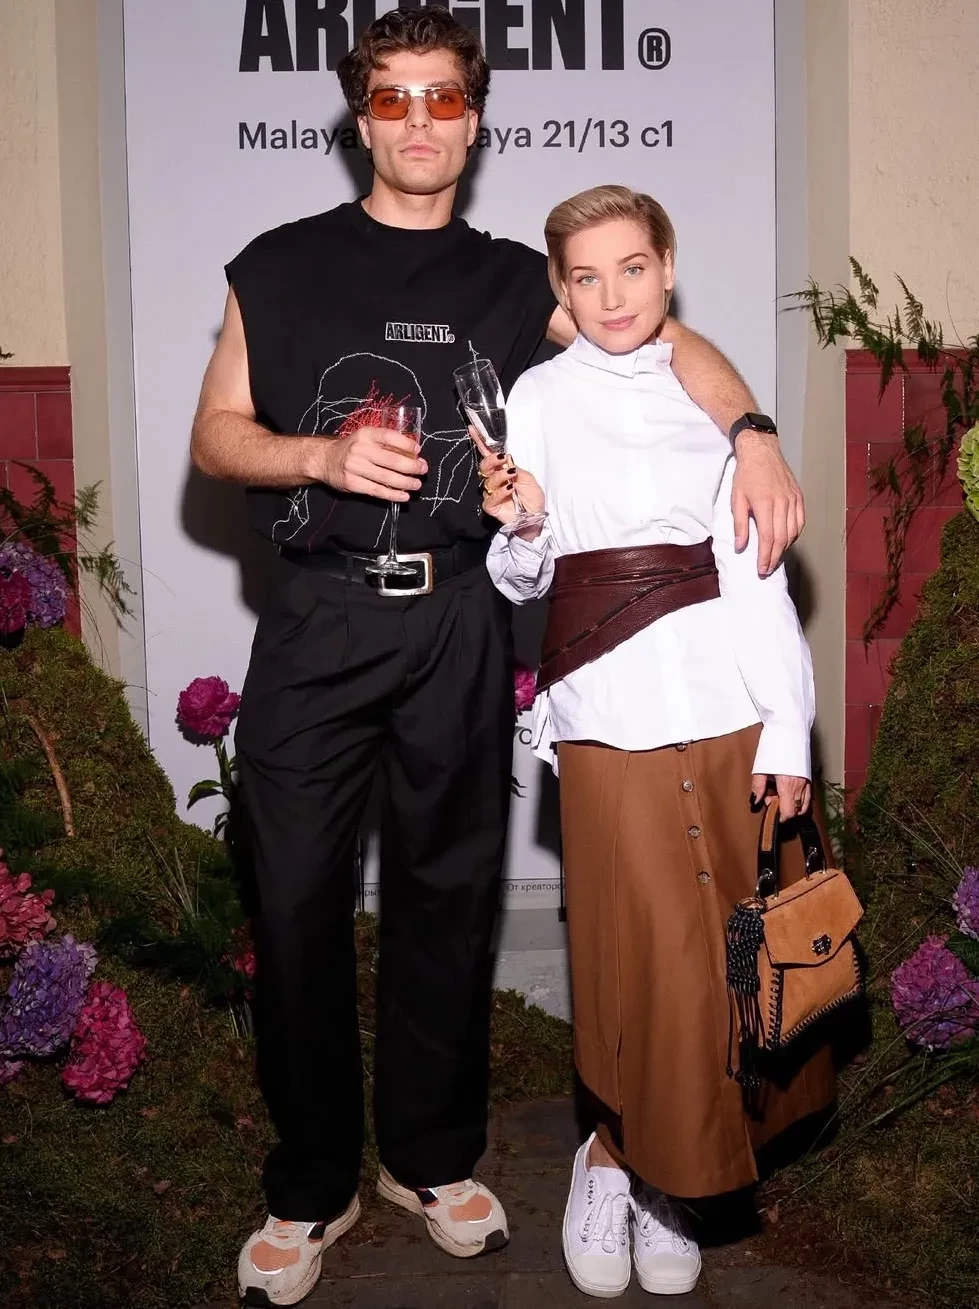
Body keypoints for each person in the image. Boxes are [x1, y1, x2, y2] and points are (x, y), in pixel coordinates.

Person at [189, 7, 806, 1306]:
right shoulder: (277, 265)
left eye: (443, 98)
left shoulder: (523, 283)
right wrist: (316, 456)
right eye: (393, 97)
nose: (419, 121)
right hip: (316, 619)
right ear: (360, 117)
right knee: (292, 905)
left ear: (472, 120)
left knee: (447, 897)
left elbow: (660, 339)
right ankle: (310, 1182)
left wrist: (750, 431)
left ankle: (427, 1155)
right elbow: (216, 436)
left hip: (461, 617)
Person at [480, 185, 835, 1300]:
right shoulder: (537, 395)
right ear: (559, 287)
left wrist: (787, 730)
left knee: (725, 959)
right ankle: (610, 1156)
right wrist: (520, 520)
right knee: (635, 961)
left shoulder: (711, 399)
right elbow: (522, 578)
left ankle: (673, 1180)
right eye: (583, 277)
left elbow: (753, 573)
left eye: (631, 268)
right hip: (607, 719)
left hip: (726, 712)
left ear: (667, 267)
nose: (611, 296)